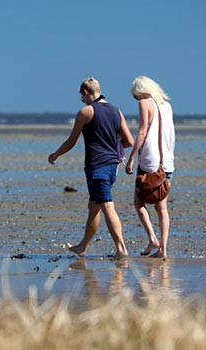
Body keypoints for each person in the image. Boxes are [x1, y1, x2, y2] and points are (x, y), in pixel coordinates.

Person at [48, 77, 134, 260]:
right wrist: (111, 142)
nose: (82, 100)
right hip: (112, 165)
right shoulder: (116, 111)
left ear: (86, 92)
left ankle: (121, 249)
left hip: (97, 166)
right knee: (94, 206)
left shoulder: (86, 112)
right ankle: (82, 247)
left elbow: (72, 141)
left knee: (107, 205)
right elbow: (129, 141)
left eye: (82, 97)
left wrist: (55, 155)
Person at [125, 76, 175, 259]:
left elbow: (142, 131)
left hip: (149, 161)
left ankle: (152, 239)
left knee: (139, 202)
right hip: (167, 162)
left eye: (135, 96)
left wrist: (131, 158)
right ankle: (163, 249)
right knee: (162, 207)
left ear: (140, 92)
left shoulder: (145, 102)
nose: (137, 100)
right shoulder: (166, 105)